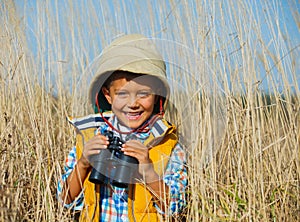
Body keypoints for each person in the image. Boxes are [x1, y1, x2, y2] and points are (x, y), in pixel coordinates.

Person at [57, 34, 187, 222]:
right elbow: (65, 200)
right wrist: (84, 163)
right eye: (122, 94)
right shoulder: (89, 137)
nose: (133, 104)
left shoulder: (167, 145)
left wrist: (148, 171)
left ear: (157, 96)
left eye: (144, 94)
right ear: (107, 96)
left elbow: (174, 207)